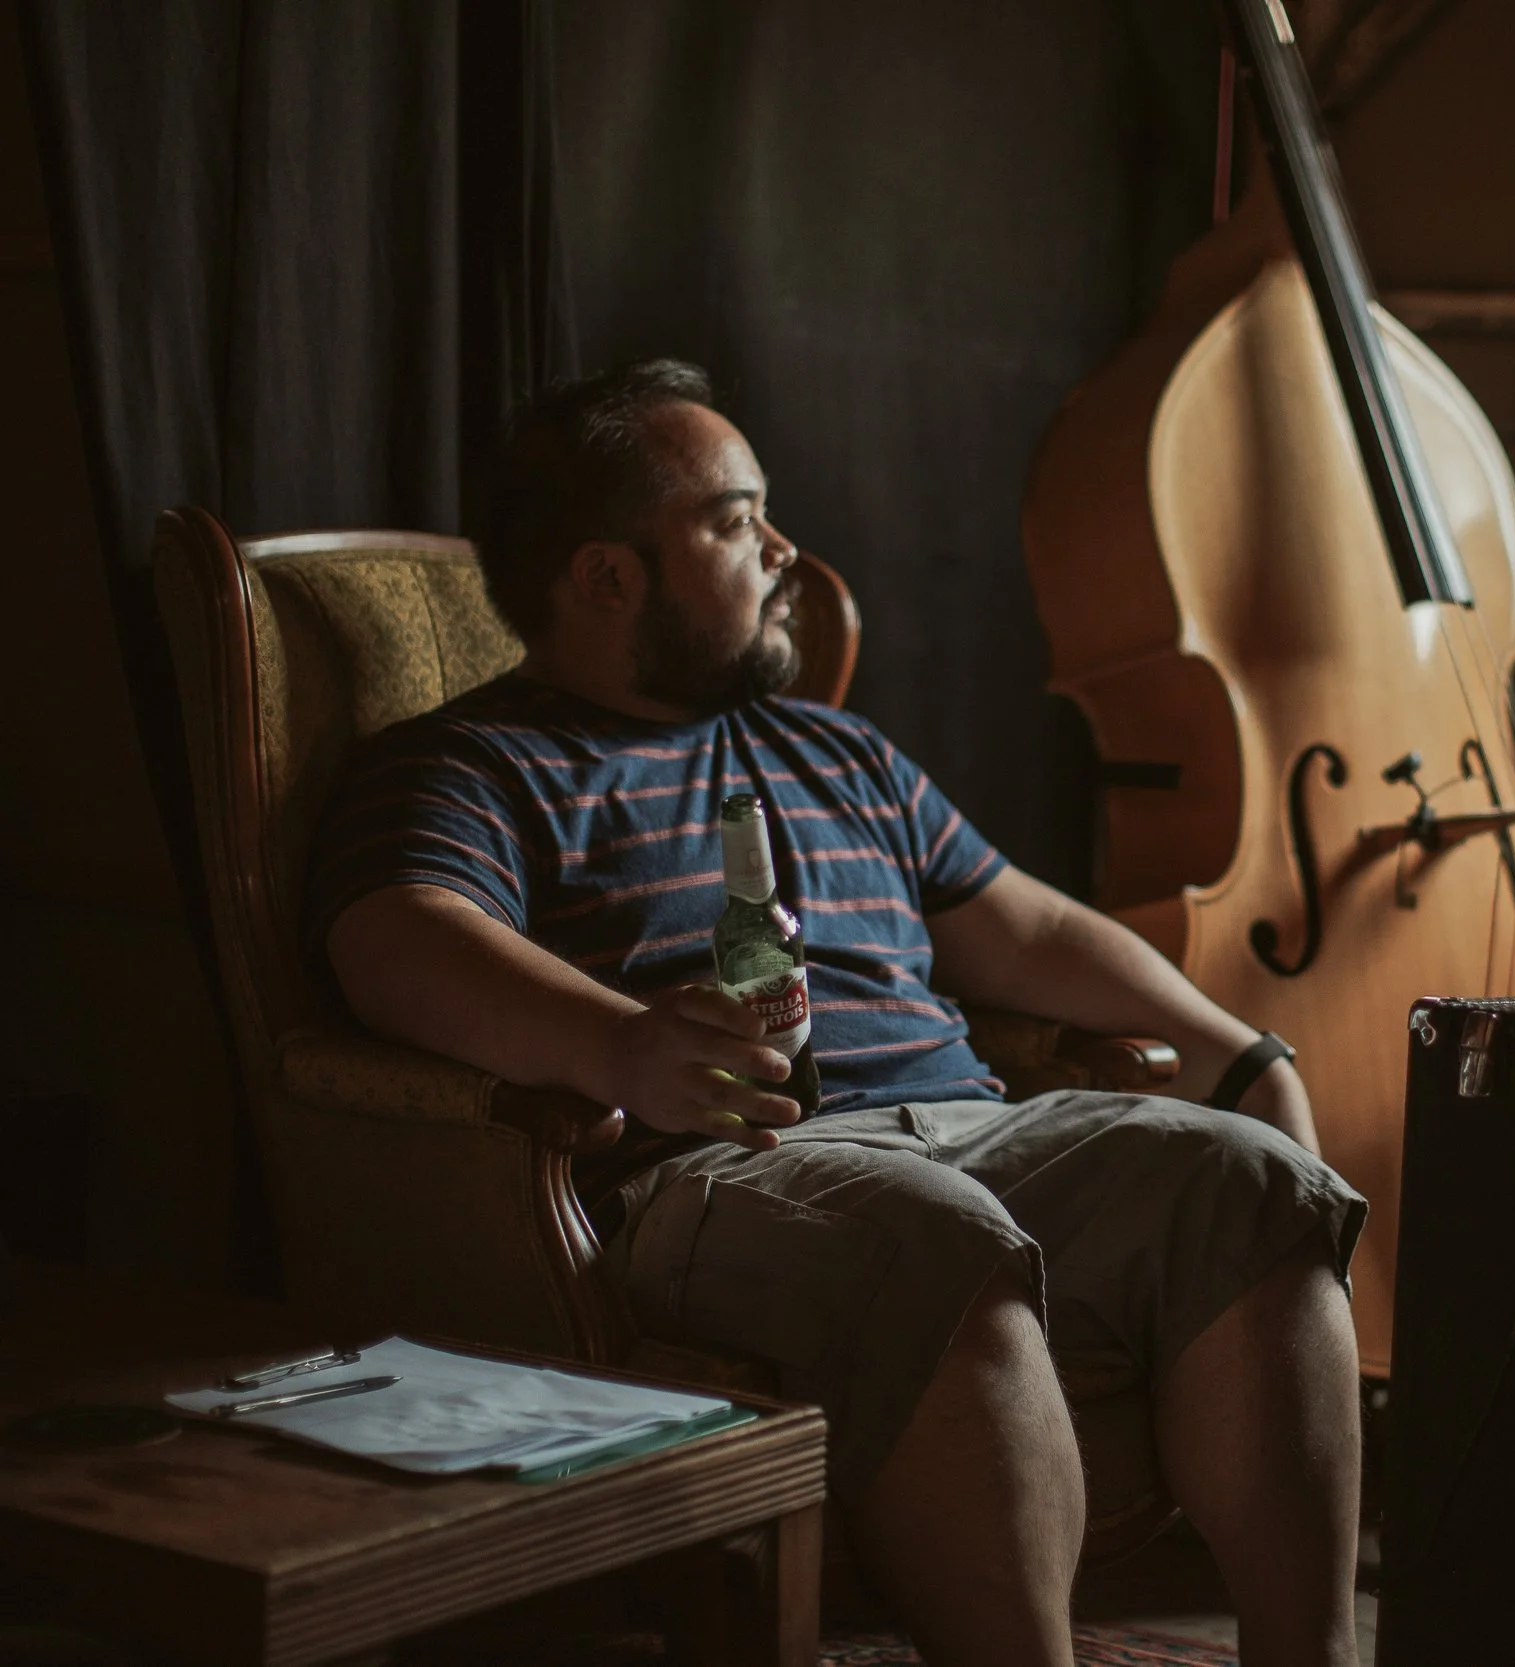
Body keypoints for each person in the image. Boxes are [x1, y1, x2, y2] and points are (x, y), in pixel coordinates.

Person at [305, 360, 1365, 1667]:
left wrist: (1237, 1049)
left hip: (974, 1127)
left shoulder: (839, 751)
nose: (785, 551)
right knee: (931, 1236)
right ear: (606, 577)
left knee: (1253, 1180)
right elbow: (400, 942)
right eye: (735, 520)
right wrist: (621, 1045)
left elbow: (1025, 927)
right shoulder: (473, 763)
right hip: (730, 1163)